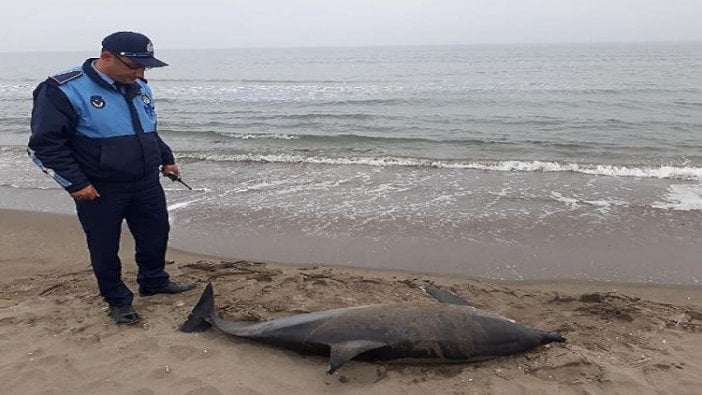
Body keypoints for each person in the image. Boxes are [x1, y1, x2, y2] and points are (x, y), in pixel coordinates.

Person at [28, 31, 195, 325]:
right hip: (99, 187)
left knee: (155, 234)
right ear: (107, 57)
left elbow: (148, 130)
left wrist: (166, 159)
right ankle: (117, 299)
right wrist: (76, 183)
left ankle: (153, 281)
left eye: (145, 67)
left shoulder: (138, 85)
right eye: (134, 66)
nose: (141, 73)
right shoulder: (62, 89)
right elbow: (44, 145)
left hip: (145, 181)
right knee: (105, 246)